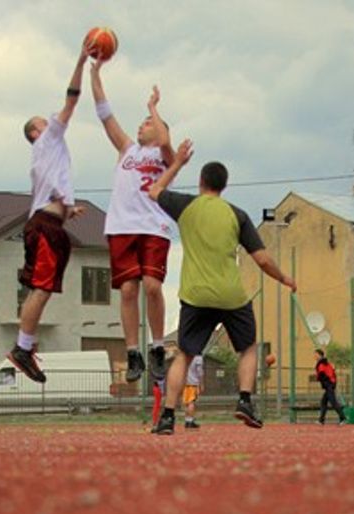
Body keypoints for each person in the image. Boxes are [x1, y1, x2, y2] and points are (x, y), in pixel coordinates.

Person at [146, 140, 297, 434]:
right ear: (224, 186)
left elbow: (153, 191)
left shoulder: (186, 206)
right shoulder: (236, 214)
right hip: (231, 296)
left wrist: (176, 163)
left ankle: (166, 417)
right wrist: (285, 278)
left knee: (184, 356)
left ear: (201, 182)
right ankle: (244, 400)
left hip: (195, 294)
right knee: (248, 348)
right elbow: (263, 259)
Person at [10, 38, 91, 385]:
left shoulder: (46, 154)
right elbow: (72, 98)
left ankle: (25, 345)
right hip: (45, 226)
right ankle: (22, 348)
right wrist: (81, 60)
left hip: (50, 222)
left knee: (42, 289)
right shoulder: (48, 139)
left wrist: (67, 210)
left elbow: (49, 187)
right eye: (45, 120)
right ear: (36, 131)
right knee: (41, 289)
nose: (53, 120)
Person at [90, 60, 175, 383]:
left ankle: (156, 347)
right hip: (122, 226)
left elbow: (167, 141)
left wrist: (152, 107)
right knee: (128, 291)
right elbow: (104, 114)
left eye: (147, 124)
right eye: (141, 123)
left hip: (153, 226)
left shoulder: (163, 156)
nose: (141, 127)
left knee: (152, 287)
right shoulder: (127, 149)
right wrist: (95, 73)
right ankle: (132, 352)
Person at [314, 349, 346, 425]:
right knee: (323, 402)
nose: (314, 356)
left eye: (316, 354)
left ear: (319, 355)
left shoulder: (322, 363)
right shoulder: (325, 363)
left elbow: (322, 374)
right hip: (329, 385)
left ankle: (343, 418)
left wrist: (320, 379)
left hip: (329, 385)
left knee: (333, 402)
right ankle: (321, 420)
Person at [183, 353, 204, 429]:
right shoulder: (198, 358)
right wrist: (201, 383)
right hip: (193, 383)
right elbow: (200, 372)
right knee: (192, 402)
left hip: (185, 382)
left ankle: (187, 420)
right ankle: (190, 421)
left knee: (187, 403)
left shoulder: (186, 356)